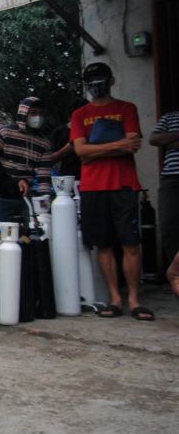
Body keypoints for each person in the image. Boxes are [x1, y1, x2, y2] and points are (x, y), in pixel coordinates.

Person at [70, 62, 152, 322]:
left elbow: (133, 145)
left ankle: (135, 300)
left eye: (100, 79)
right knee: (103, 245)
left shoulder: (126, 109)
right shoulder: (80, 114)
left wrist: (96, 150)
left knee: (131, 243)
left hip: (124, 184)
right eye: (91, 80)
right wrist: (117, 145)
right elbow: (80, 151)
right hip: (93, 186)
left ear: (111, 80)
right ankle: (115, 299)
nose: (96, 84)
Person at [0, 97, 54, 223]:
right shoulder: (5, 132)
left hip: (27, 196)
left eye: (41, 114)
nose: (37, 117)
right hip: (3, 195)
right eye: (33, 113)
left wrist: (45, 203)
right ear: (23, 113)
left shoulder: (44, 143)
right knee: (4, 234)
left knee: (31, 234)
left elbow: (45, 177)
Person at [149, 109, 179, 272]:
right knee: (170, 227)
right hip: (171, 179)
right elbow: (154, 139)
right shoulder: (170, 117)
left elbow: (163, 140)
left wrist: (170, 140)